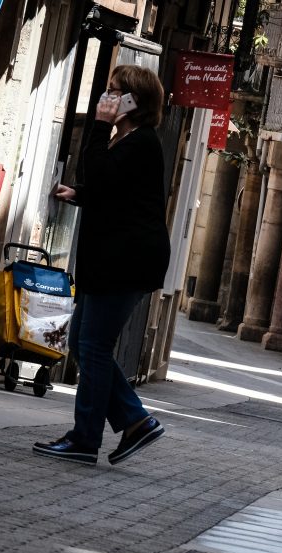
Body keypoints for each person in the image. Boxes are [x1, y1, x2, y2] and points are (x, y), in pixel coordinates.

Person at [33, 65, 171, 466]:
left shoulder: (141, 142)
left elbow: (96, 172)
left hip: (126, 261)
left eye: (114, 92)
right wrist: (79, 194)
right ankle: (135, 421)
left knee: (93, 345)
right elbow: (110, 190)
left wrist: (99, 125)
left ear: (133, 101)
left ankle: (86, 438)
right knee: (82, 342)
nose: (106, 98)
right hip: (113, 259)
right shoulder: (126, 141)